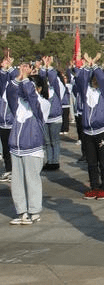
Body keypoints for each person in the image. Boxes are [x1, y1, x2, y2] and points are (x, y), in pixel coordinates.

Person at [5, 60, 47, 225]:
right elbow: (10, 93)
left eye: (30, 86)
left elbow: (31, 96)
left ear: (39, 89)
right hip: (16, 149)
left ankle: (34, 212)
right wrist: (18, 78)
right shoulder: (19, 105)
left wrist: (26, 79)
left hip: (33, 149)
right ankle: (22, 212)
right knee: (17, 183)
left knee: (32, 180)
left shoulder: (42, 104)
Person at [73, 53, 104, 200]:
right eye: (93, 78)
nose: (95, 80)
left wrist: (94, 64)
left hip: (102, 131)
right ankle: (94, 187)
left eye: (97, 78)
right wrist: (87, 66)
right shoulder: (86, 92)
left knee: (103, 161)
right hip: (88, 132)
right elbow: (80, 79)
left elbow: (102, 78)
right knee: (91, 162)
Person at [39, 56, 64, 171]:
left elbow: (53, 78)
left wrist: (49, 67)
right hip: (45, 119)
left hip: (55, 118)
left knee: (55, 141)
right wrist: (44, 66)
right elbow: (41, 78)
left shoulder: (57, 88)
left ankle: (55, 161)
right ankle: (49, 161)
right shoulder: (42, 90)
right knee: (47, 142)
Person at [0, 58, 14, 183]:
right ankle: (9, 170)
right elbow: (2, 78)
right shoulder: (2, 89)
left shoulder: (14, 90)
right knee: (5, 149)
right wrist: (4, 68)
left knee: (13, 149)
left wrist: (10, 68)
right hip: (2, 124)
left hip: (13, 124)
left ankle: (15, 171)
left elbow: (15, 76)